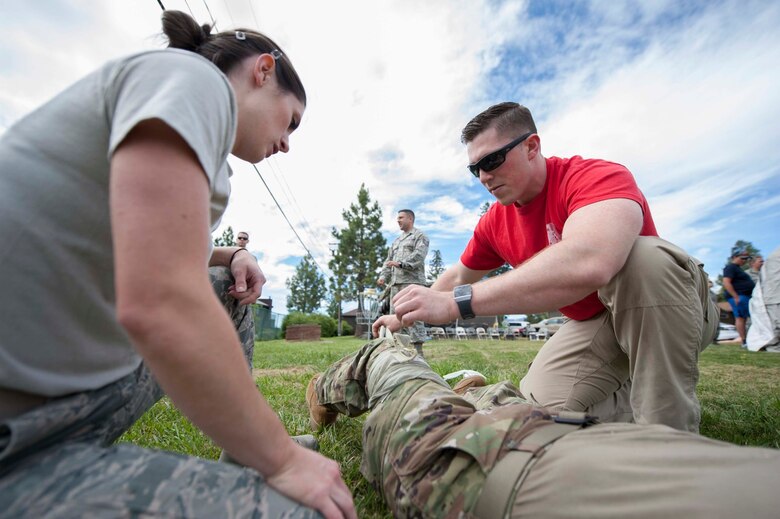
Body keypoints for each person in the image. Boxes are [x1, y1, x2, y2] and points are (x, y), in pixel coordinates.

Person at [0, 11, 355, 519]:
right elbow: (161, 299)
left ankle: (245, 457)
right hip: (20, 441)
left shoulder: (204, 142)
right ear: (263, 70)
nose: (287, 142)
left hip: (67, 400)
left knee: (221, 285)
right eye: (291, 120)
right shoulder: (192, 81)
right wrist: (282, 460)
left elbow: (145, 232)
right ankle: (263, 461)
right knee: (306, 512)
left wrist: (232, 253)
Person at [375, 102, 718, 433]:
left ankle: (668, 435)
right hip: (597, 321)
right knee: (537, 414)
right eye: (475, 168)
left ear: (531, 146)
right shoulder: (495, 222)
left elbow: (591, 261)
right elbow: (459, 276)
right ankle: (629, 400)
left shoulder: (593, 176)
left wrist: (457, 303)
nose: (484, 176)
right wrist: (404, 314)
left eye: (492, 160)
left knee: (645, 259)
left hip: (671, 306)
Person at [306, 332, 780, 519]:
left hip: (471, 462)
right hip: (555, 430)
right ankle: (476, 395)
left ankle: (323, 397)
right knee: (506, 401)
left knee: (390, 353)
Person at [377, 209, 430, 355]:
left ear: (410, 219)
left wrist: (401, 263)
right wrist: (383, 276)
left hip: (412, 283)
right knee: (396, 318)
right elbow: (388, 262)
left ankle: (418, 353)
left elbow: (419, 256)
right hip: (395, 285)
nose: (398, 220)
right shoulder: (396, 241)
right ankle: (398, 353)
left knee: (414, 316)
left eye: (401, 217)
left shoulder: (420, 236)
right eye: (397, 218)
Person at [722, 247, 756, 346]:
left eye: (746, 259)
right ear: (735, 257)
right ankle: (744, 341)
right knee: (740, 317)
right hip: (739, 296)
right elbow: (726, 282)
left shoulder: (738, 269)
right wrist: (735, 296)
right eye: (743, 258)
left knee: (745, 318)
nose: (745, 261)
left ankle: (748, 339)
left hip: (745, 296)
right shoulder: (730, 267)